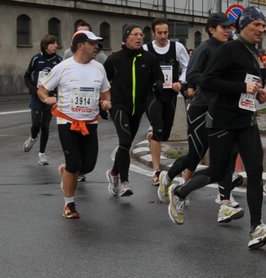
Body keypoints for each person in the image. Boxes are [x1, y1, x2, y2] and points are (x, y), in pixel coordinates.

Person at [167, 7, 266, 250]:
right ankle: (179, 193)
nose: (262, 30)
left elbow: (248, 84)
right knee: (219, 171)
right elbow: (207, 80)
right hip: (222, 120)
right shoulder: (229, 49)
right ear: (243, 26)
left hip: (246, 120)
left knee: (254, 170)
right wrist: (241, 87)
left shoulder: (253, 52)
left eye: (263, 26)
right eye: (257, 25)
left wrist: (259, 94)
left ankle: (256, 227)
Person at [160, 13, 242, 223]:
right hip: (202, 108)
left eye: (229, 27)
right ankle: (168, 177)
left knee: (226, 153)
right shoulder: (205, 49)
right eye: (223, 27)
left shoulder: (231, 47)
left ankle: (224, 202)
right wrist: (214, 83)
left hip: (223, 110)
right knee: (195, 156)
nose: (228, 31)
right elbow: (192, 75)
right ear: (211, 29)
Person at [35, 29, 112, 220]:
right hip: (67, 122)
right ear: (80, 45)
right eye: (93, 44)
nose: (97, 47)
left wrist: (106, 102)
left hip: (90, 123)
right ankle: (69, 203)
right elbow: (42, 88)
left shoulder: (99, 68)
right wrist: (47, 99)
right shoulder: (63, 67)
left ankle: (65, 172)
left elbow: (106, 91)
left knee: (88, 165)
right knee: (74, 163)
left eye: (97, 44)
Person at [103, 24, 163, 198]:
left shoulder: (149, 59)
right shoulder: (114, 59)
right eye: (135, 34)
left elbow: (157, 78)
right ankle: (124, 182)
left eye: (141, 35)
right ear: (126, 37)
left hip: (138, 109)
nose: (139, 38)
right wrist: (104, 103)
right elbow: (103, 82)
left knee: (126, 145)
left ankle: (114, 172)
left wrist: (158, 85)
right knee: (125, 140)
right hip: (119, 106)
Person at [144, 19, 189, 188]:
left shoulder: (177, 48)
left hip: (170, 94)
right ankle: (156, 171)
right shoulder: (146, 50)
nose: (163, 36)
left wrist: (181, 82)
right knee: (158, 128)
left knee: (164, 134)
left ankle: (154, 136)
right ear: (153, 33)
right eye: (159, 33)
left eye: (165, 32)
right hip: (152, 95)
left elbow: (187, 67)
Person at [22, 35, 62, 166]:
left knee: (45, 126)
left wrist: (58, 95)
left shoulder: (59, 60)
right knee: (36, 124)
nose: (56, 46)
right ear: (46, 46)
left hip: (50, 97)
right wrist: (33, 90)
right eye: (52, 44)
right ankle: (33, 137)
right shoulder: (36, 59)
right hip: (37, 96)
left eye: (56, 43)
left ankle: (42, 155)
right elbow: (27, 76)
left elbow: (62, 79)